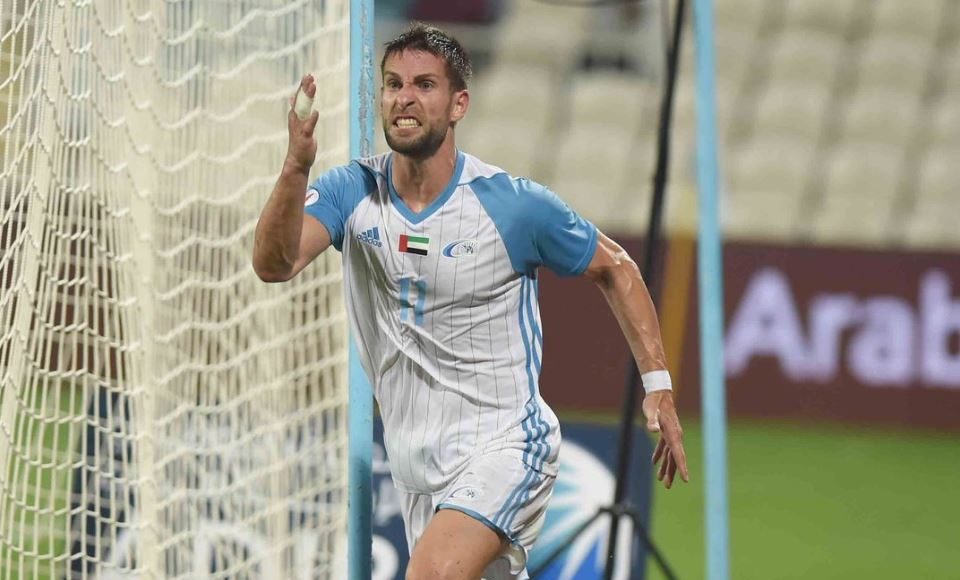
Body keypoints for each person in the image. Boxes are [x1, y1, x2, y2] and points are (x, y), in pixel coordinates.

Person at [253, 23, 688, 580]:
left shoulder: (510, 205)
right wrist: (295, 167)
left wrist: (658, 385)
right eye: (393, 84)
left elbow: (616, 267)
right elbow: (274, 264)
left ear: (459, 104)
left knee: (432, 575)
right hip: (416, 469)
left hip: (506, 446)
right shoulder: (352, 191)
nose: (404, 98)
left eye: (424, 85)